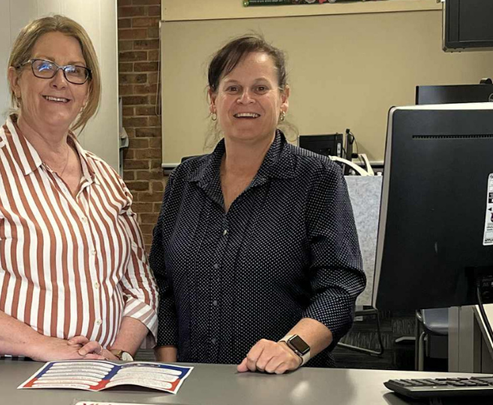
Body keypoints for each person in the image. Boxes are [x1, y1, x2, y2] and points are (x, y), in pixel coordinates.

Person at [0, 15, 158, 362]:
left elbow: (141, 287)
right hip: (5, 380)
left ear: (87, 90)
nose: (60, 81)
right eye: (44, 67)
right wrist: (42, 346)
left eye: (75, 71)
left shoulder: (106, 179)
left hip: (98, 375)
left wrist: (116, 353)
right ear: (15, 79)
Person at [149, 35, 365, 374]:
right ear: (213, 100)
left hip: (286, 382)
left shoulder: (318, 178)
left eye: (260, 88)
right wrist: (169, 371)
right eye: (232, 88)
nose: (245, 99)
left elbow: (339, 287)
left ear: (284, 98)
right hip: (192, 382)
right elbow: (164, 285)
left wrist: (291, 348)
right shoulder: (183, 181)